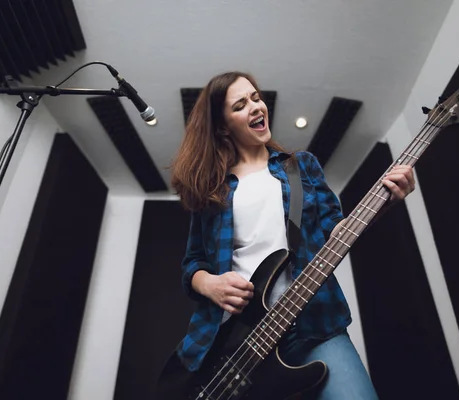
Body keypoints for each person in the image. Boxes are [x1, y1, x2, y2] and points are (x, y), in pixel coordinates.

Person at [168, 71, 415, 399]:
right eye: (240, 105)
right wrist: (209, 284)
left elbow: (335, 231)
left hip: (314, 325)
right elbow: (192, 264)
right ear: (223, 127)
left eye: (256, 97)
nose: (256, 106)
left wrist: (382, 203)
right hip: (237, 343)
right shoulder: (213, 190)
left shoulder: (300, 166)